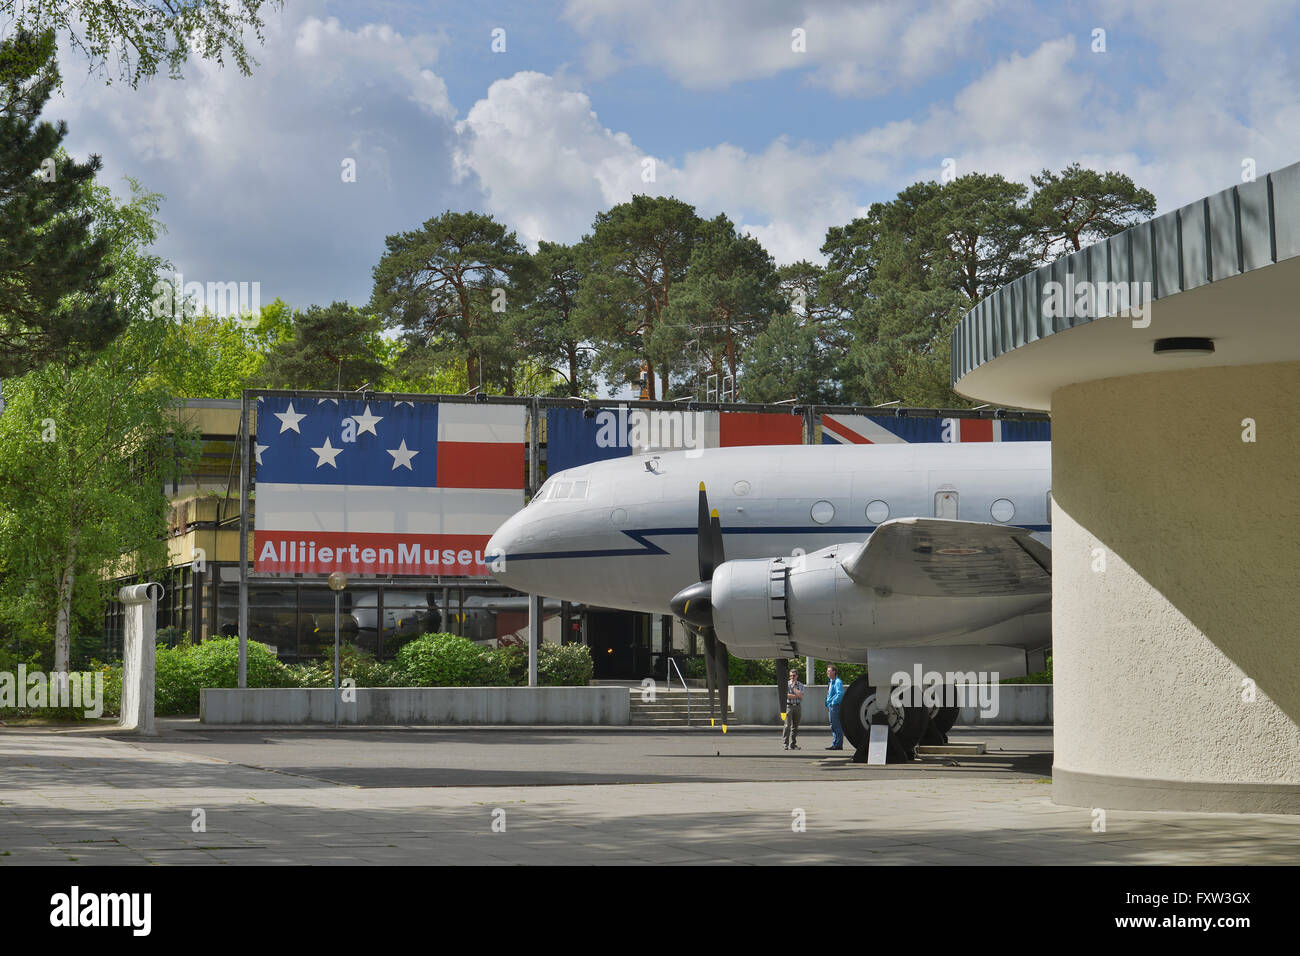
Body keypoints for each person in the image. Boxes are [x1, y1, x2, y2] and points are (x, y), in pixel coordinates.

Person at [782, 667, 804, 750]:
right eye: (790, 676)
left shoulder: (800, 685)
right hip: (789, 706)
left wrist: (794, 688)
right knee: (787, 725)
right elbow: (785, 695)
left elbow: (801, 696)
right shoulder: (786, 684)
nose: (792, 677)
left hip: (797, 706)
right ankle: (785, 744)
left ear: (797, 676)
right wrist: (796, 695)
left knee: (795, 726)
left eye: (794, 676)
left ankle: (793, 744)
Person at [825, 665, 844, 750]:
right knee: (833, 725)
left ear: (834, 672)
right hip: (831, 706)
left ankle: (838, 744)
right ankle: (835, 743)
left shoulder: (837, 682)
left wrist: (833, 702)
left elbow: (840, 693)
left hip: (835, 706)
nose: (827, 672)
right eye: (827, 671)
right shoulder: (831, 681)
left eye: (829, 671)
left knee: (836, 725)